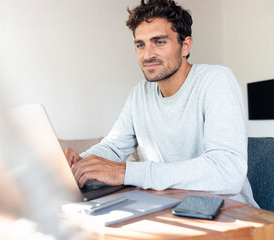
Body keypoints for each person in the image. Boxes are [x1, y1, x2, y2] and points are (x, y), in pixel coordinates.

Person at [65, 0, 258, 207]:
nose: (147, 55)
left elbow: (226, 171)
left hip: (229, 215)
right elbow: (113, 147)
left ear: (185, 46)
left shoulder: (216, 80)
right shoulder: (139, 93)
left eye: (159, 42)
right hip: (168, 208)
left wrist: (127, 172)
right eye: (141, 45)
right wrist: (78, 163)